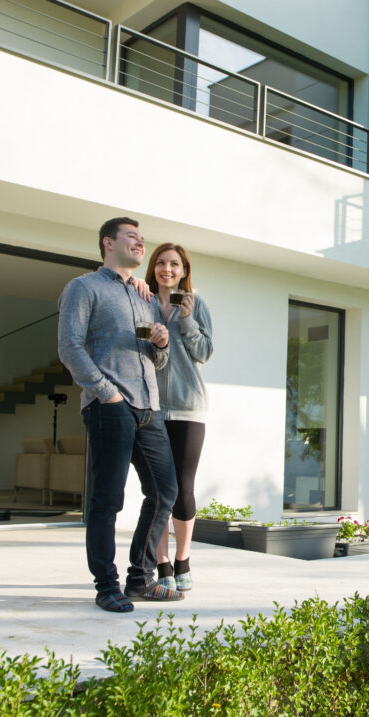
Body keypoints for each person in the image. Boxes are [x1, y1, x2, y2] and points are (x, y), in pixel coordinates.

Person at [57, 217, 184, 612]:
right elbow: (70, 347)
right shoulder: (84, 288)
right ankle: (106, 585)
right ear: (108, 243)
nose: (140, 243)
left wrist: (161, 342)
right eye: (133, 236)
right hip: (109, 406)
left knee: (165, 492)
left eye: (142, 238)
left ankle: (139, 579)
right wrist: (106, 393)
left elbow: (156, 360)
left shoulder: (146, 298)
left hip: (149, 408)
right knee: (107, 499)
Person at [142, 243, 213, 592]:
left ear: (184, 270)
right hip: (151, 407)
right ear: (153, 268)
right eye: (160, 262)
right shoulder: (142, 301)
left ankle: (183, 558)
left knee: (183, 488)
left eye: (174, 264)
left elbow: (204, 353)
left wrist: (185, 320)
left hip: (188, 408)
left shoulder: (196, 305)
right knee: (159, 490)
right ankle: (162, 563)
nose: (166, 269)